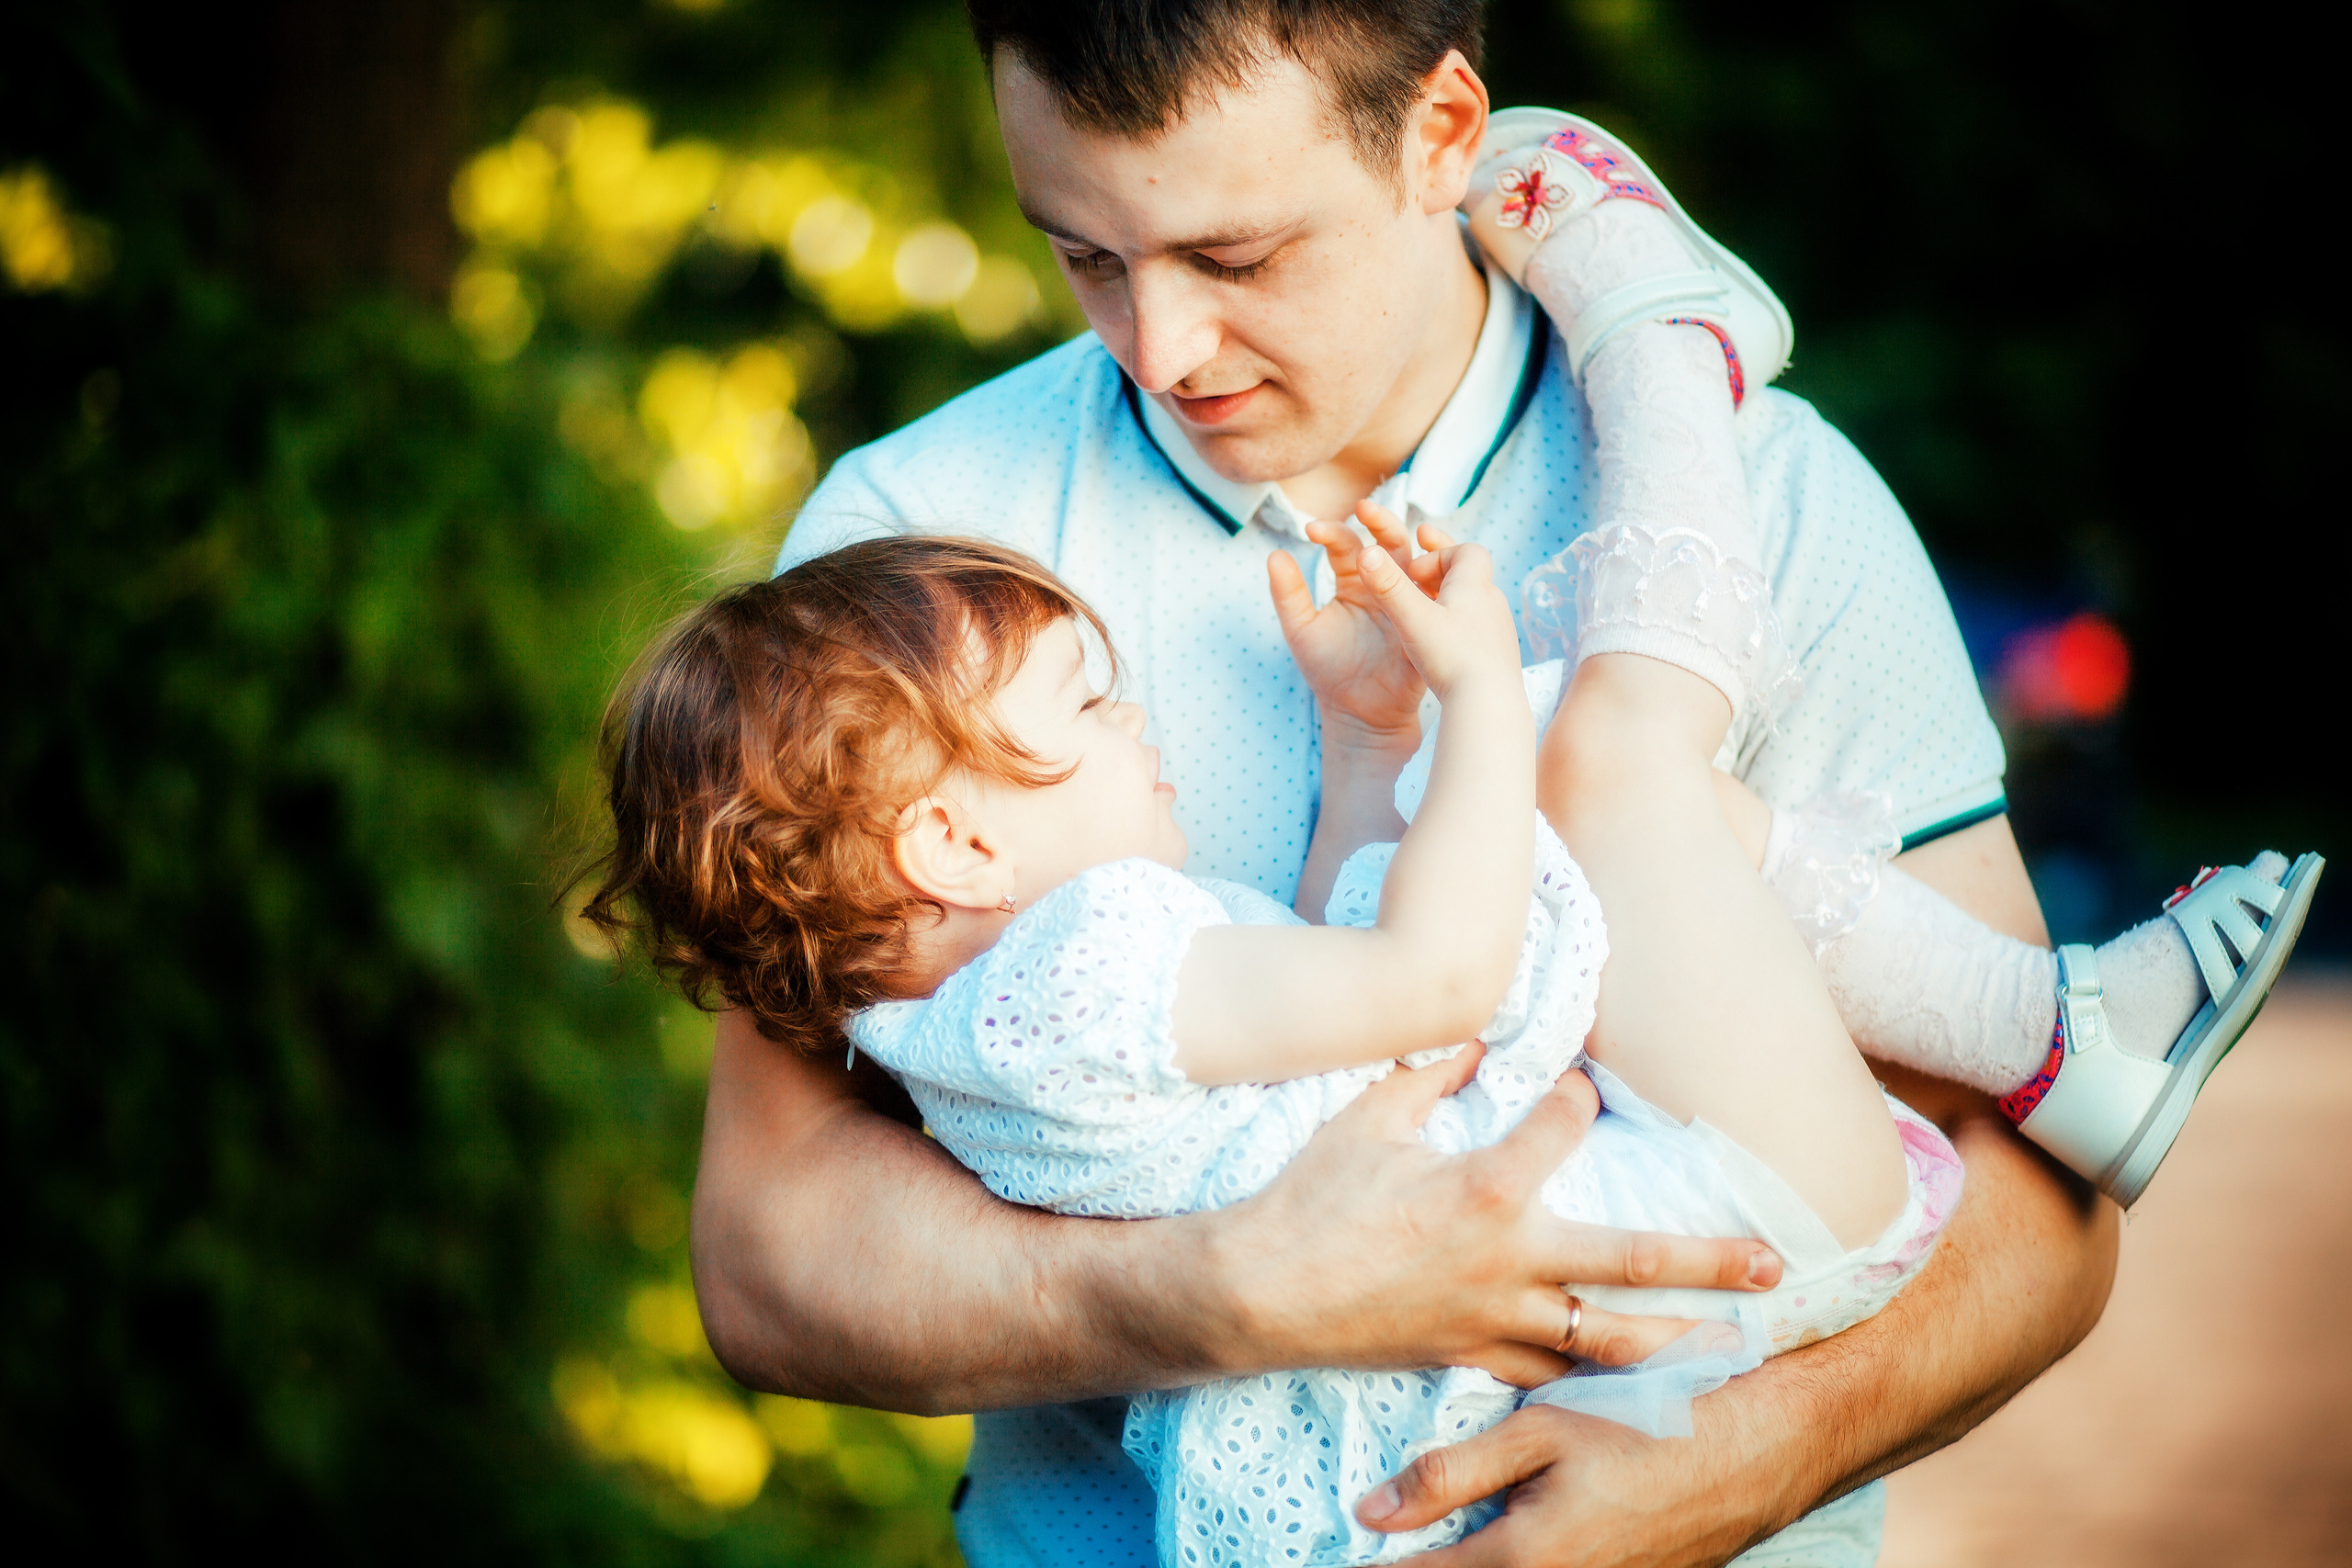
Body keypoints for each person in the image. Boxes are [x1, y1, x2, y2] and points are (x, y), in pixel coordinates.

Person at [694, 3, 2123, 1562]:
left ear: (1442, 132)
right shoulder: (910, 574)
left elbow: (2049, 1191)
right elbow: (768, 1253)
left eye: (1235, 257)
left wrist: (1746, 1461)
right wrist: (1222, 1292)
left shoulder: (1765, 504)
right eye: (1085, 253)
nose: (1160, 351)